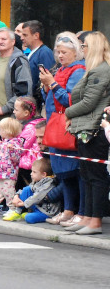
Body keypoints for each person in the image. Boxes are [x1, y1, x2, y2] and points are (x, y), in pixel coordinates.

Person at [62, 31, 110, 235]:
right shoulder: (94, 70)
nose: (82, 50)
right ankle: (88, 217)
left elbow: (89, 102)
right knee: (87, 174)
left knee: (95, 176)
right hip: (85, 128)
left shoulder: (101, 71)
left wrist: (68, 112)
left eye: (85, 46)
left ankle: (95, 220)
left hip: (95, 129)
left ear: (94, 48)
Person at [38, 32, 85, 226]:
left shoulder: (79, 71)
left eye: (64, 52)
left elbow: (71, 100)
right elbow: (49, 96)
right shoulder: (60, 69)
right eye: (58, 52)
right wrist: (46, 86)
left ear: (76, 52)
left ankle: (80, 211)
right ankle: (67, 210)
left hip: (67, 125)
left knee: (75, 171)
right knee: (62, 172)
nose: (60, 56)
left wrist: (53, 84)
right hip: (54, 125)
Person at [10, 158, 62, 224]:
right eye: (32, 171)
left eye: (34, 172)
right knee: (27, 189)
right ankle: (17, 212)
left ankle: (34, 215)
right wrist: (16, 196)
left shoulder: (49, 184)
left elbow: (37, 197)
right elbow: (28, 189)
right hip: (38, 206)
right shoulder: (37, 180)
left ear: (44, 174)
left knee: (29, 218)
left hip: (46, 212)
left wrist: (24, 204)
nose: (31, 174)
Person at [19, 20, 55, 104]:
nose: (21, 38)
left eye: (25, 35)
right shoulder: (32, 53)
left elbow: (46, 80)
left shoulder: (44, 53)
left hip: (37, 103)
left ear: (36, 35)